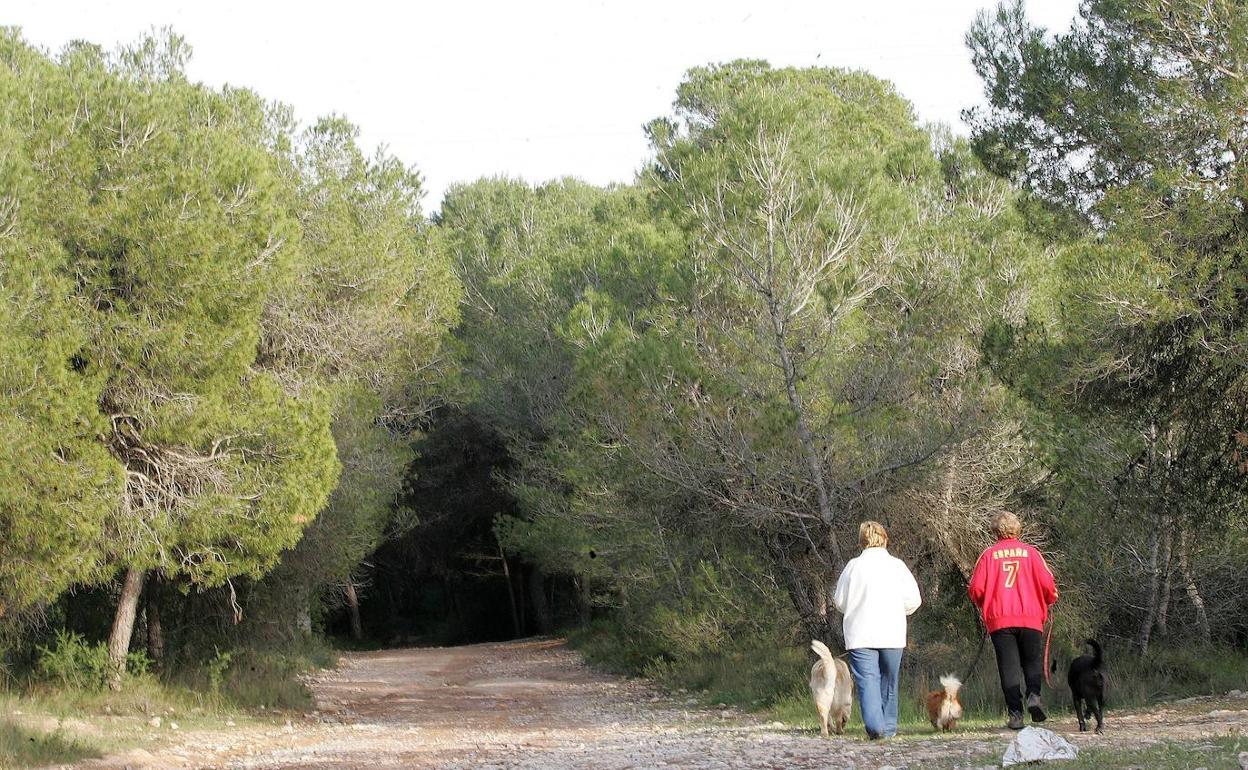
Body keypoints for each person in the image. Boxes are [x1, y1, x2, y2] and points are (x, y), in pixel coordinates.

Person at [968, 510, 1059, 730]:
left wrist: (984, 603)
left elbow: (975, 588)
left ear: (995, 531)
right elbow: (1049, 585)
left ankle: (1015, 714)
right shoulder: (1032, 553)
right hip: (1030, 617)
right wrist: (1050, 598)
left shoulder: (989, 555)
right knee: (1031, 661)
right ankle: (1034, 696)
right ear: (1017, 529)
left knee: (1008, 667)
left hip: (1000, 619)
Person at [832, 520, 922, 739]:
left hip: (860, 634)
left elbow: (839, 601)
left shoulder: (853, 566)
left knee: (867, 681)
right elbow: (913, 600)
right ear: (885, 539)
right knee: (889, 680)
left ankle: (875, 727)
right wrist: (901, 612)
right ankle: (888, 728)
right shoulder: (897, 566)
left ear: (861, 541)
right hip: (892, 633)